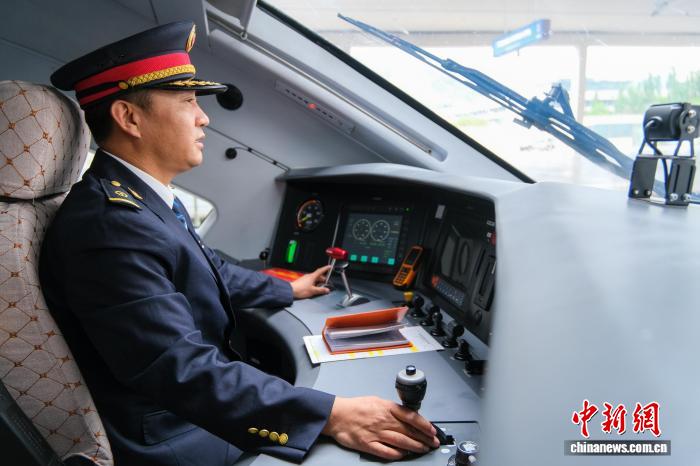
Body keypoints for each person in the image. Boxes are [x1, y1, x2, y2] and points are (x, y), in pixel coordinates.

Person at [39, 20, 439, 466]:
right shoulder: (110, 225)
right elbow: (180, 369)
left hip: (192, 410)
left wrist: (288, 289)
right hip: (175, 434)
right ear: (129, 117)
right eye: (188, 101)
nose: (204, 117)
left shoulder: (140, 200)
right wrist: (331, 415)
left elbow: (208, 268)